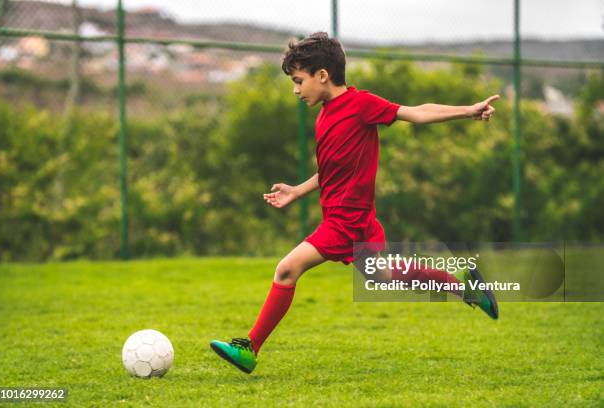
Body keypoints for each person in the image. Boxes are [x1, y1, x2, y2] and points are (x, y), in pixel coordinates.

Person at [210, 32, 499, 374]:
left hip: (345, 221)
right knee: (384, 275)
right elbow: (330, 171)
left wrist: (468, 110)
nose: (295, 90)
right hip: (351, 219)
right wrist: (297, 190)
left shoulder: (361, 105)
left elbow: (417, 112)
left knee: (287, 269)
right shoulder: (324, 116)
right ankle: (464, 286)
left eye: (299, 81)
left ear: (322, 75)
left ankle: (249, 348)